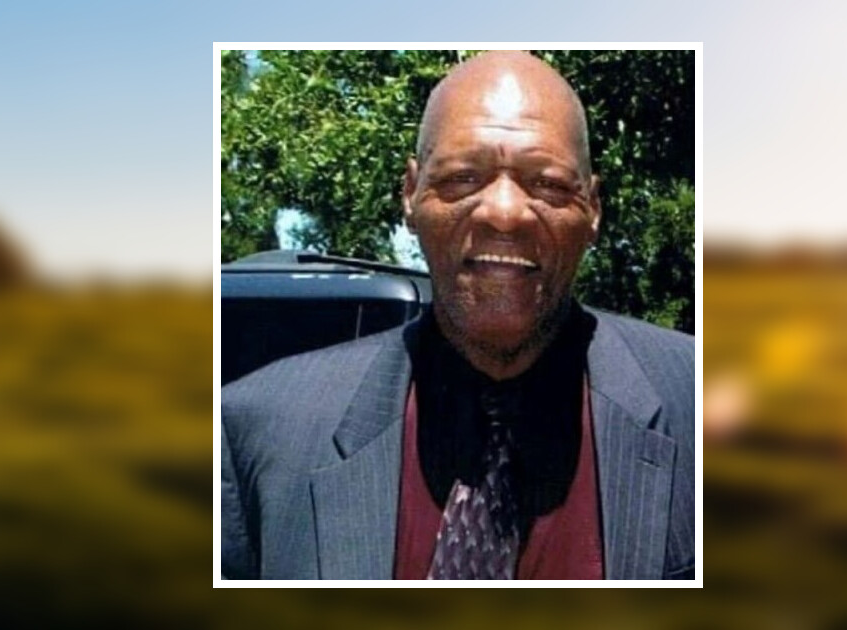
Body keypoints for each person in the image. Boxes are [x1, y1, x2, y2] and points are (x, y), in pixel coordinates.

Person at [221, 51, 694, 580]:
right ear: (410, 195)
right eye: (464, 177)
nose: (505, 213)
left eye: (547, 183)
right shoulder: (257, 432)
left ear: (593, 209)